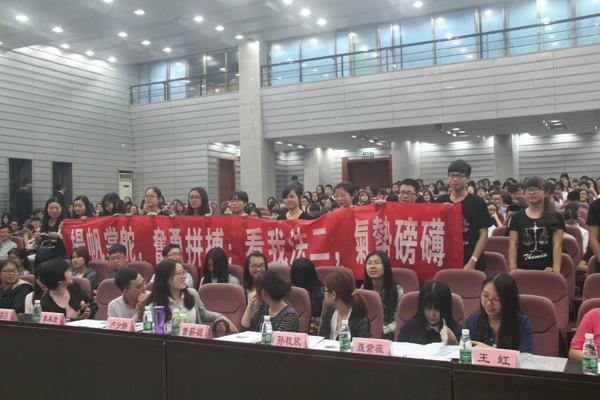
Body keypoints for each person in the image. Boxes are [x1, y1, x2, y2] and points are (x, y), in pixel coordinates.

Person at [146, 260, 238, 330]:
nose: (183, 276)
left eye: (183, 272)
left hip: (194, 342)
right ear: (166, 278)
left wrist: (220, 316)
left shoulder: (192, 294)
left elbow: (203, 314)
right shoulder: (155, 305)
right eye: (179, 273)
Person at [435, 160, 492, 271]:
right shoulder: (440, 201)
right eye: (452, 175)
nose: (455, 179)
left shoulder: (477, 202)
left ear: (468, 178)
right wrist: (439, 210)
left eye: (460, 176)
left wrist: (472, 261)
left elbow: (484, 235)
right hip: (445, 259)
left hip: (471, 260)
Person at [465, 271, 533, 353]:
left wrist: (490, 351)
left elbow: (525, 357)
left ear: (509, 300)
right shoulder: (473, 321)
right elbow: (467, 354)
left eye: (496, 299)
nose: (489, 303)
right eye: (485, 296)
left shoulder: (522, 323)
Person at [508, 177, 565, 273]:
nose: (532, 193)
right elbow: (513, 244)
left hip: (547, 269)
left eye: (536, 189)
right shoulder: (517, 217)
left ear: (546, 193)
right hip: (522, 269)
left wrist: (556, 269)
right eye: (528, 190)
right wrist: (513, 268)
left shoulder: (556, 216)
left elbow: (557, 245)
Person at [397, 280, 462, 344]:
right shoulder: (410, 326)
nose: (431, 315)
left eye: (437, 309)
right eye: (427, 309)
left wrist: (455, 343)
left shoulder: (457, 332)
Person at [362, 251, 404, 340]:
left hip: (388, 336)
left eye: (377, 263)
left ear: (386, 266)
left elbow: (399, 320)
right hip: (365, 335)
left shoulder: (397, 290)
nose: (372, 266)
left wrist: (379, 330)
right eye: (369, 263)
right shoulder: (363, 290)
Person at [319, 271, 371, 339]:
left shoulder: (361, 321)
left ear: (333, 295)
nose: (323, 293)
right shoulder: (328, 313)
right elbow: (321, 339)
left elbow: (361, 344)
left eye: (324, 290)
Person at [290, 258, 324, 325]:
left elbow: (326, 318)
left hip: (314, 327)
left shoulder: (321, 293)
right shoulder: (288, 290)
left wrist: (311, 321)